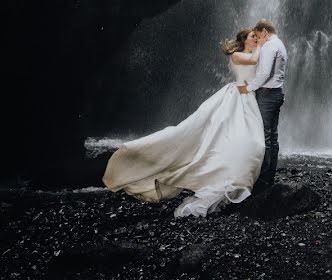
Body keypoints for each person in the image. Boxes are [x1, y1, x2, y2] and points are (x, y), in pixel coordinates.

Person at [102, 28, 265, 217]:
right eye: (253, 36)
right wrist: (262, 45)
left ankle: (233, 170)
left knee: (246, 140)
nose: (256, 39)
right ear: (244, 39)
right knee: (221, 133)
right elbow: (251, 65)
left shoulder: (252, 53)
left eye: (257, 37)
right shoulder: (238, 55)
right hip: (238, 96)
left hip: (248, 97)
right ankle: (140, 159)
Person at [238, 19, 287, 190]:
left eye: (258, 36)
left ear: (264, 31)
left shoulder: (270, 46)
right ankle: (269, 177)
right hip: (276, 93)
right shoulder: (279, 44)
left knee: (265, 138)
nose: (258, 40)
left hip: (267, 95)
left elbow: (265, 72)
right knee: (272, 137)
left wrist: (249, 88)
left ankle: (264, 181)